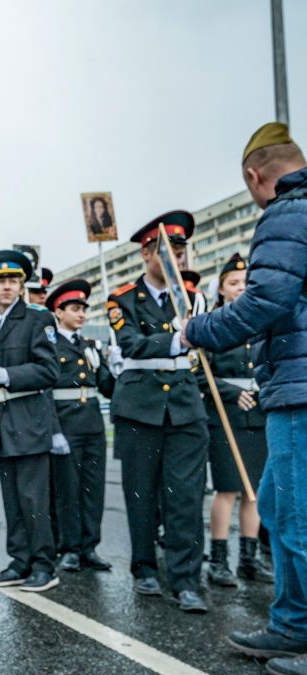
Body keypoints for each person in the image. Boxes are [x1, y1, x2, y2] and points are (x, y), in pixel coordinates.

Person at [182, 122, 307, 675]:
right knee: (279, 511)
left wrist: (199, 330)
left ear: (255, 176)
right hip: (292, 383)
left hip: (300, 388)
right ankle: (292, 622)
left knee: (298, 519)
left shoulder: (286, 212)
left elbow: (267, 301)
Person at [106, 209, 209, 614]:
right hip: (140, 407)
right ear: (148, 254)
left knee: (185, 497)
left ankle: (186, 580)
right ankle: (145, 567)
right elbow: (130, 343)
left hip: (184, 407)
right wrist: (176, 341)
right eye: (169, 252)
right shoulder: (123, 298)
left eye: (181, 253)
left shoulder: (194, 297)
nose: (177, 260)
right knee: (141, 493)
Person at [0, 249, 60, 592]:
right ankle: (19, 560)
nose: (7, 287)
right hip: (0, 422)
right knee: (12, 498)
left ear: (21, 285)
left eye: (12, 281)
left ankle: (43, 565)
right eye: (0, 282)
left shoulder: (38, 319)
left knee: (34, 498)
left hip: (29, 420)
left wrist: (7, 374)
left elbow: (49, 370)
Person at [198, 253, 273, 588]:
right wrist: (229, 393)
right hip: (225, 416)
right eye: (234, 284)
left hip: (258, 415)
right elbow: (200, 374)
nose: (241, 289)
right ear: (222, 290)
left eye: (245, 283)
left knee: (253, 492)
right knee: (228, 489)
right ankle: (218, 561)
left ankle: (248, 559)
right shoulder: (214, 325)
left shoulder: (261, 323)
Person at [45, 279, 114, 572]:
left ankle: (89, 547)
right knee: (68, 489)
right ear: (58, 312)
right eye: (74, 309)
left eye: (83, 309)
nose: (81, 315)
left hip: (92, 424)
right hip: (65, 423)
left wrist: (114, 366)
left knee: (93, 488)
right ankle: (69, 547)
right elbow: (45, 390)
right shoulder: (49, 345)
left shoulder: (90, 346)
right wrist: (54, 430)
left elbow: (107, 386)